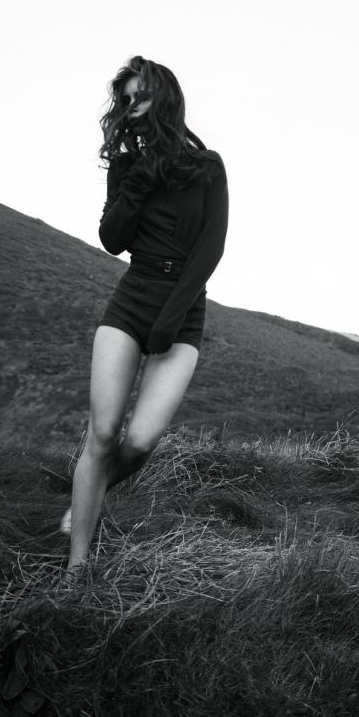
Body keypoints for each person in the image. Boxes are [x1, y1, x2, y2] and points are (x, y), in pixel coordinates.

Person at [63, 56, 229, 574]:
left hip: (183, 310)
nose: (132, 107)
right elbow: (113, 240)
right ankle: (76, 568)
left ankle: (84, 496)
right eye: (126, 99)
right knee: (103, 435)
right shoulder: (126, 166)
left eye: (142, 96)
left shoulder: (207, 166)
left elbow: (210, 249)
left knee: (138, 443)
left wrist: (170, 320)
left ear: (166, 98)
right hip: (131, 300)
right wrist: (134, 181)